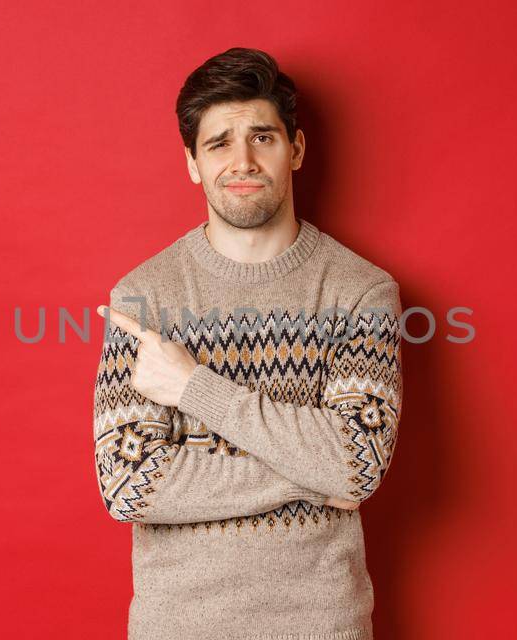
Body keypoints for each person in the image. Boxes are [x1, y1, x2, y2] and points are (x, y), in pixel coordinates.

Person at [91, 47, 403, 640]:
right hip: (176, 626)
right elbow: (131, 485)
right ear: (192, 163)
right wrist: (316, 470)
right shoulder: (144, 298)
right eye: (218, 144)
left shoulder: (361, 293)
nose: (243, 161)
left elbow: (355, 467)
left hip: (322, 626)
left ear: (297, 149)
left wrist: (192, 387)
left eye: (263, 137)